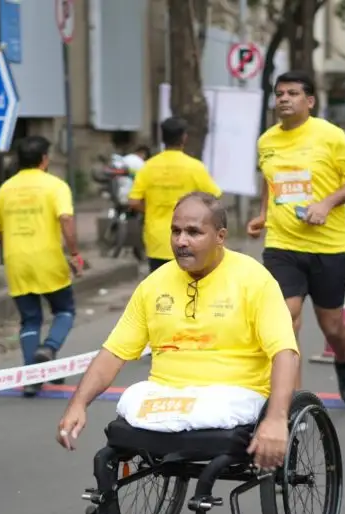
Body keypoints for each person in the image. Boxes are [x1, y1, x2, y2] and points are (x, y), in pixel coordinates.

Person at [56, 192, 299, 475]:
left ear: (220, 236)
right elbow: (114, 352)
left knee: (207, 412)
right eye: (176, 231)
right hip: (167, 393)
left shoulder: (255, 281)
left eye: (193, 232)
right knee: (128, 406)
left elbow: (285, 352)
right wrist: (78, 405)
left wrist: (277, 418)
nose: (181, 241)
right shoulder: (153, 285)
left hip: (232, 394)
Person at [247, 70, 345, 403]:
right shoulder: (267, 140)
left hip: (328, 246)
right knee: (285, 319)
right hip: (282, 245)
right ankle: (293, 400)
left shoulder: (330, 136)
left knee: (333, 328)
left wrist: (327, 203)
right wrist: (263, 213)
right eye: (279, 93)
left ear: (310, 101)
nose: (284, 98)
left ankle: (343, 361)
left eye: (292, 93)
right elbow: (269, 180)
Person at [0, 135, 84, 397]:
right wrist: (74, 253)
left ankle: (32, 378)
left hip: (16, 260)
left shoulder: (5, 188)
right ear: (44, 159)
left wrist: (13, 243)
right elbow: (65, 218)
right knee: (64, 310)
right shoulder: (55, 185)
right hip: (48, 259)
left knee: (29, 319)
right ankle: (49, 348)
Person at [128, 117, 221, 272]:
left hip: (156, 240)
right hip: (190, 240)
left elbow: (133, 201)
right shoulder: (195, 167)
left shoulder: (148, 167)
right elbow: (213, 198)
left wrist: (150, 209)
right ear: (184, 137)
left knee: (161, 290)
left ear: (162, 137)